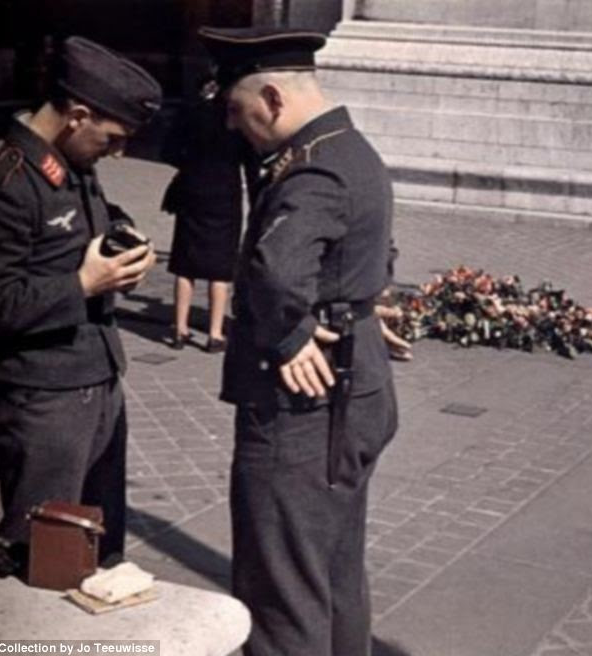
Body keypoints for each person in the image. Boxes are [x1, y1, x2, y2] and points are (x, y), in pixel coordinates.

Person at [199, 25, 404, 655]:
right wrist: (359, 307)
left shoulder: (311, 170)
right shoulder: (352, 150)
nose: (234, 127)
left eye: (237, 111)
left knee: (280, 588)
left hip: (305, 408)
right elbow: (375, 254)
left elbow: (275, 268)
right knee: (335, 572)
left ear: (273, 100)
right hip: (356, 384)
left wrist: (288, 336)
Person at [0, 36, 161, 576]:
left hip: (97, 380)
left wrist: (126, 242)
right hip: (44, 399)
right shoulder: (6, 185)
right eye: (112, 139)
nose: (118, 152)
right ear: (77, 116)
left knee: (99, 553)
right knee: (49, 557)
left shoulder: (73, 163)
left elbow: (94, 220)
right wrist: (83, 284)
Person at [161, 78, 250, 353]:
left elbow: (168, 151)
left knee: (185, 264)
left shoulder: (190, 112)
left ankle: (180, 328)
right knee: (220, 268)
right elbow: (249, 155)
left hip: (192, 191)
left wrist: (191, 163)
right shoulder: (235, 116)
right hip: (225, 194)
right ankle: (214, 333)